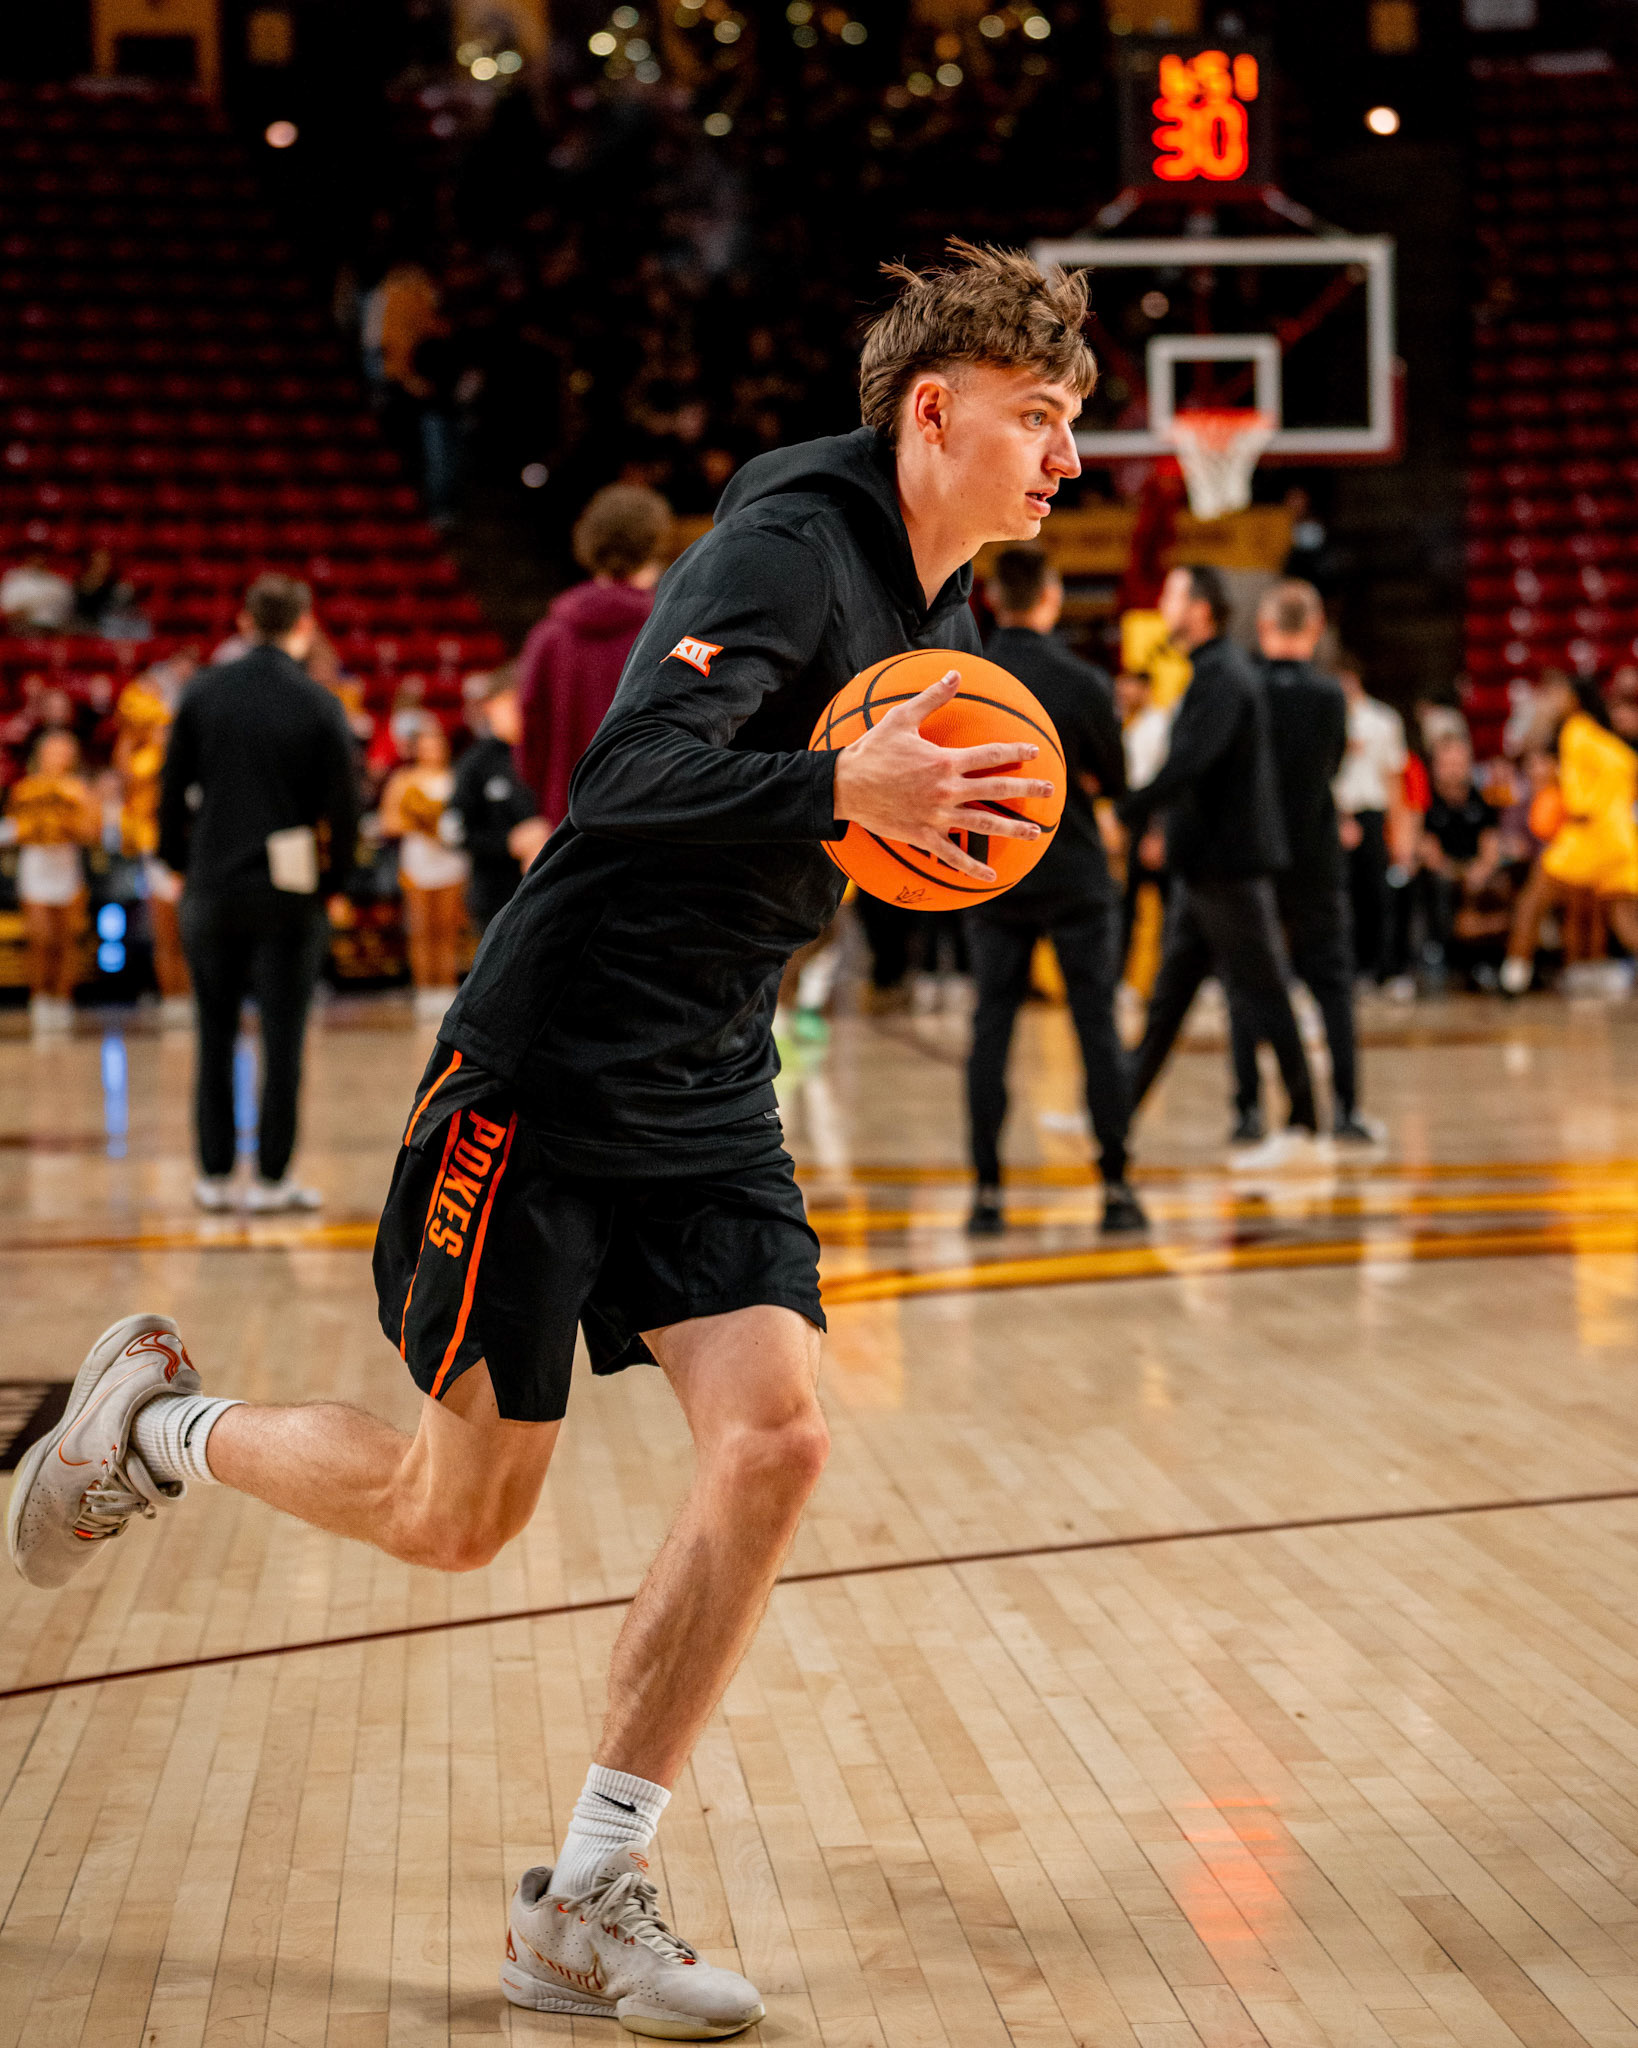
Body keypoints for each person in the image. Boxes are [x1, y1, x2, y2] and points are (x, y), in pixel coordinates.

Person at [7, 238, 1085, 2040]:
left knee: (776, 1440)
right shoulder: (782, 550)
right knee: (455, 1519)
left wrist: (932, 832)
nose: (1064, 455)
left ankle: (587, 1895)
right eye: (1038, 415)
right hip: (551, 1066)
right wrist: (843, 782)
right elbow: (625, 779)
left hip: (709, 1076)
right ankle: (158, 1425)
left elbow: (848, 826)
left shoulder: (944, 617)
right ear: (931, 410)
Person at [155, 574, 360, 1214]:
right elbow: (345, 809)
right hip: (289, 893)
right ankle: (273, 1179)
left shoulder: (201, 692)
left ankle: (215, 1176)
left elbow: (169, 793)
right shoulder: (319, 702)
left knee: (213, 1033)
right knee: (283, 1038)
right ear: (305, 624)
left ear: (243, 623)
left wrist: (177, 862)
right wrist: (335, 883)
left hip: (212, 885)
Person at [965, 545, 1146, 1235]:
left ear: (993, 600)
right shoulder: (1084, 681)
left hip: (993, 873)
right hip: (1073, 871)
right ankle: (1117, 1188)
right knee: (1096, 1029)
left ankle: (987, 1194)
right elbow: (1117, 781)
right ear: (1052, 597)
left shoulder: (970, 680)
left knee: (992, 1029)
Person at [1118, 564, 1320, 1164]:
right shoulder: (1208, 671)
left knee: (1267, 992)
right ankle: (1115, 1112)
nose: (1162, 605)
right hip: (1203, 864)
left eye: (1171, 594)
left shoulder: (1224, 676)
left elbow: (1189, 764)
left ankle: (1306, 1125)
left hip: (1229, 867)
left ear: (1200, 609)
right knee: (1168, 1001)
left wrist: (1127, 811)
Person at [1229, 581, 1380, 1145]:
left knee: (1248, 985)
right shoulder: (1331, 697)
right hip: (1315, 855)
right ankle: (1346, 1110)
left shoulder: (1245, 688)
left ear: (1264, 627)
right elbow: (1333, 767)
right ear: (1315, 630)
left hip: (1255, 855)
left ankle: (1248, 1112)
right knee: (1332, 986)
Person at [516, 484, 670, 827]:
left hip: (571, 818)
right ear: (654, 543)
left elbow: (530, 744)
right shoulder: (669, 630)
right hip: (652, 819)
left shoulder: (548, 636)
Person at [1501, 673, 1638, 992]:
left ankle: (1514, 975)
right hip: (1621, 838)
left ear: (1573, 699)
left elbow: (1575, 799)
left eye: (1557, 694)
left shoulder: (1574, 730)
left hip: (1588, 834)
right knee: (1626, 917)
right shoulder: (1612, 744)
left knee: (1532, 899)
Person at [5, 728, 99, 1035]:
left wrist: (70, 822)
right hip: (36, 867)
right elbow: (14, 828)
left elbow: (93, 832)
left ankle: (62, 998)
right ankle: (40, 998)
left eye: (64, 750)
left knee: (66, 938)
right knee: (41, 937)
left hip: (67, 866)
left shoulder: (79, 789)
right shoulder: (25, 789)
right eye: (53, 750)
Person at [379, 717, 470, 1020]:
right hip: (418, 863)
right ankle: (424, 990)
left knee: (447, 929)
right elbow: (388, 822)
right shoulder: (403, 780)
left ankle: (446, 988)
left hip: (450, 862)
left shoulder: (456, 777)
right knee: (421, 929)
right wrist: (421, 824)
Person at [446, 672, 547, 934]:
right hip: (496, 897)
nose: (520, 709)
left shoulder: (549, 754)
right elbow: (454, 831)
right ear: (491, 706)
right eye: (511, 701)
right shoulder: (475, 763)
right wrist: (508, 842)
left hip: (549, 892)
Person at [1333, 658, 1410, 983]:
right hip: (1334, 815)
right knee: (1337, 895)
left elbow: (1394, 778)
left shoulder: (1383, 721)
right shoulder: (1325, 716)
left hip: (1371, 814)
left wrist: (1401, 831)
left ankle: (1378, 967)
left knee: (1374, 893)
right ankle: (1343, 966)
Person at [0, 554, 75, 633]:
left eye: (41, 559)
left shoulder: (58, 583)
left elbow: (67, 609)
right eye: (34, 559)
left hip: (52, 629)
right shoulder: (14, 580)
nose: (37, 561)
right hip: (19, 628)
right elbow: (7, 609)